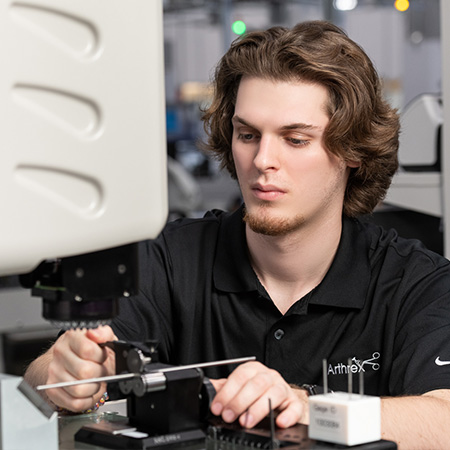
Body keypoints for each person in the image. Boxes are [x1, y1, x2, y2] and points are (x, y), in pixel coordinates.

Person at [25, 20, 450, 449]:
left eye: (296, 139)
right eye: (247, 135)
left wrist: (306, 408)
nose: (262, 159)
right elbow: (50, 379)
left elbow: (444, 420)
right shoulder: (172, 259)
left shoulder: (416, 284)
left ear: (352, 152)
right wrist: (62, 374)